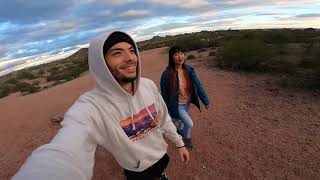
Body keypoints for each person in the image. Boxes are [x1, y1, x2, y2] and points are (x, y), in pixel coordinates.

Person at [13, 31, 189, 180]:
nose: (130, 58)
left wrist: (179, 143)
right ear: (101, 63)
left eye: (131, 50)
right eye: (117, 53)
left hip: (161, 155)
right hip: (136, 169)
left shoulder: (148, 85)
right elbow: (65, 149)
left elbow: (164, 119)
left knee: (160, 173)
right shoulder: (91, 106)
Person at [160, 46, 210, 149]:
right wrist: (167, 109)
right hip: (177, 105)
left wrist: (205, 100)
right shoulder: (166, 74)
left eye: (182, 53)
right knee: (189, 123)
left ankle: (178, 128)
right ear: (171, 57)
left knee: (181, 121)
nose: (180, 56)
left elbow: (198, 85)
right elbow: (164, 93)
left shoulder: (189, 70)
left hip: (186, 103)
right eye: (176, 54)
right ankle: (186, 139)